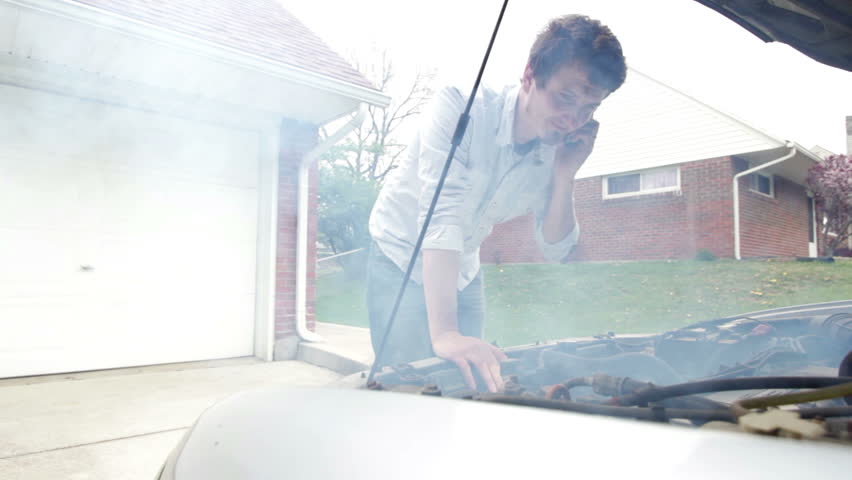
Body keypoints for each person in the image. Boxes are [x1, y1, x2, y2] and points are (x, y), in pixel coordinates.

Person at [366, 14, 627, 393]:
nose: (573, 119)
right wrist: (446, 333)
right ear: (529, 75)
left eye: (589, 108)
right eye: (565, 97)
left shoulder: (558, 150)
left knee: (472, 384)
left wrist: (565, 174)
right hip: (399, 255)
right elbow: (443, 216)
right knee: (404, 388)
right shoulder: (463, 107)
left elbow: (556, 248)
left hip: (463, 267)